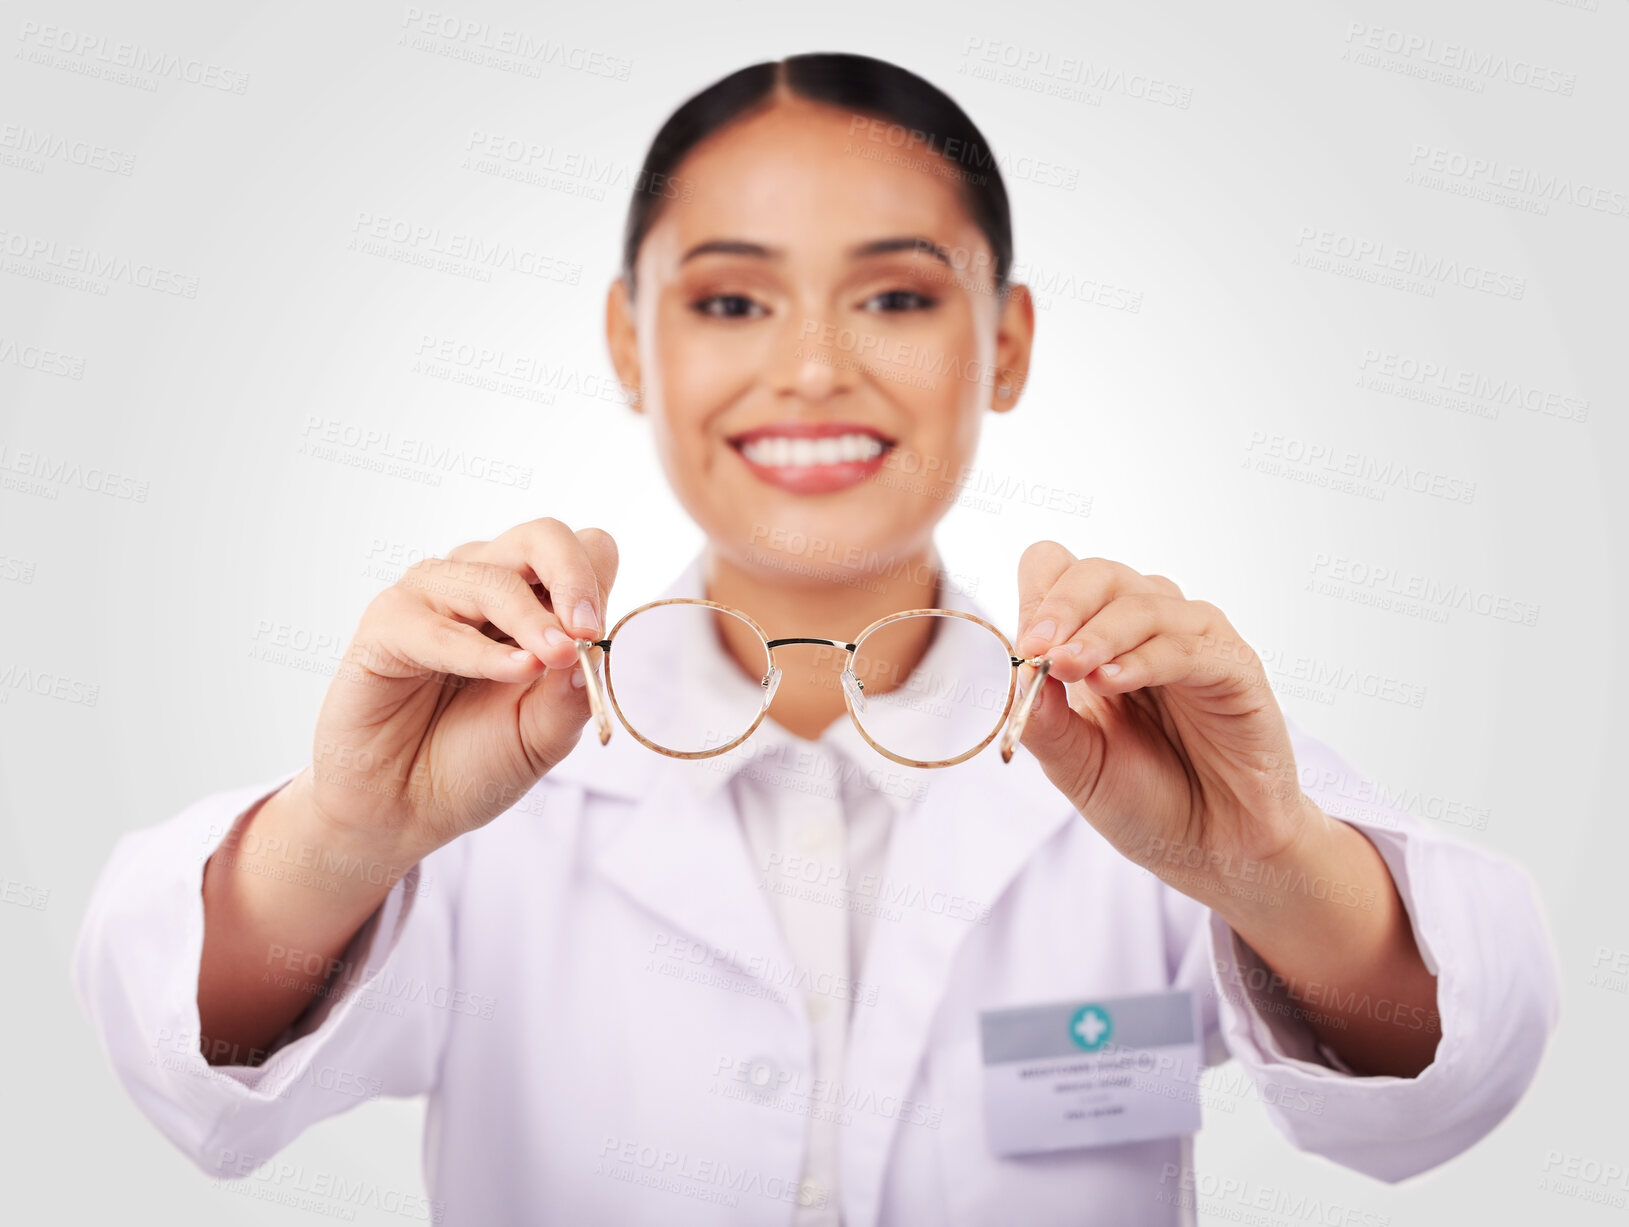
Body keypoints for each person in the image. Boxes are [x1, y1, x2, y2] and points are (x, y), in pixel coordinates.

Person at [72, 52, 1559, 1227]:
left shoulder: (1140, 738)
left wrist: (1268, 870)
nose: (809, 367)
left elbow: (1448, 1082)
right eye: (729, 299)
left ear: (1007, 342)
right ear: (624, 340)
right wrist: (343, 836)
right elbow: (185, 1076)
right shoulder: (481, 768)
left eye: (898, 296)